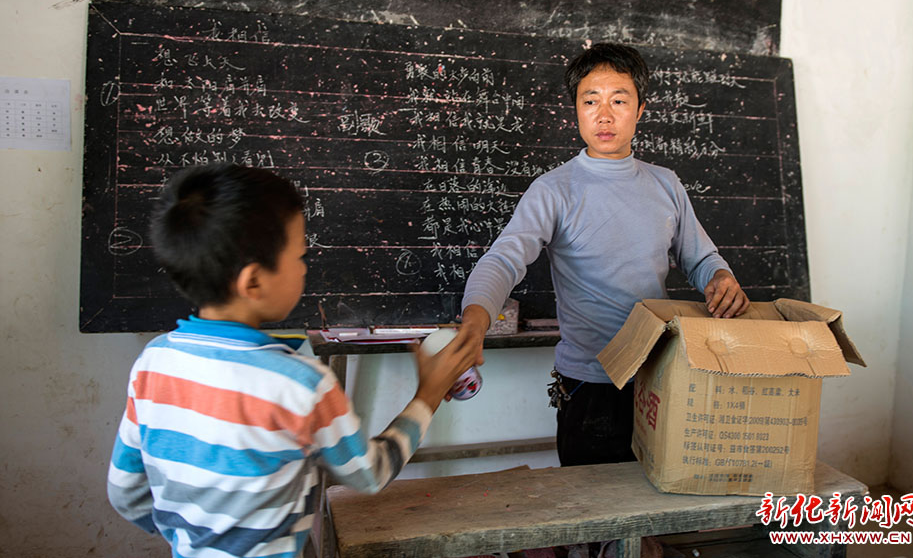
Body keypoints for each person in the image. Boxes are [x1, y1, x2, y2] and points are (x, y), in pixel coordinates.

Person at [107, 164, 478, 558]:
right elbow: (369, 474)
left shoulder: (153, 363)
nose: (304, 267)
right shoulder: (300, 384)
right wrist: (428, 396)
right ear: (253, 281)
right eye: (299, 256)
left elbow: (126, 494)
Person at [453, 42, 749, 467]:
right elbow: (505, 259)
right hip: (591, 384)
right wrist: (475, 320)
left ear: (640, 110)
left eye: (618, 100)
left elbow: (700, 258)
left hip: (660, 372)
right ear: (575, 109)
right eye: (590, 101)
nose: (604, 115)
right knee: (593, 513)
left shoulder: (666, 184)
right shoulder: (555, 189)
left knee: (655, 498)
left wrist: (719, 277)